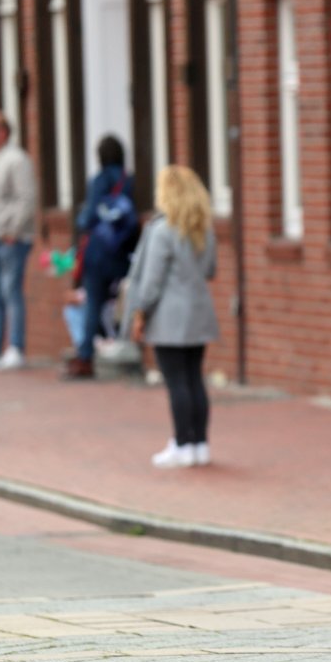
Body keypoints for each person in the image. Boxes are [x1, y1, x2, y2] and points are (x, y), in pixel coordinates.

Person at [123, 165, 219, 469]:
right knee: (194, 378)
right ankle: (200, 444)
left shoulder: (162, 230)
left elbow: (151, 282)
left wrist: (139, 313)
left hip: (169, 316)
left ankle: (181, 444)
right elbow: (210, 270)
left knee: (176, 381)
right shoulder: (204, 230)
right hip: (199, 312)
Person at [62, 135, 139, 379]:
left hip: (97, 253)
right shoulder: (130, 181)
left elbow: (88, 218)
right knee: (123, 300)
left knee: (94, 302)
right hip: (122, 251)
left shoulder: (99, 180)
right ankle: (127, 346)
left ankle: (86, 357)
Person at [0, 111, 37, 370]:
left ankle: (16, 347)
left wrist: (13, 231)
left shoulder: (16, 159)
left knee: (11, 291)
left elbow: (27, 198)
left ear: (3, 132)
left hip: (9, 239)